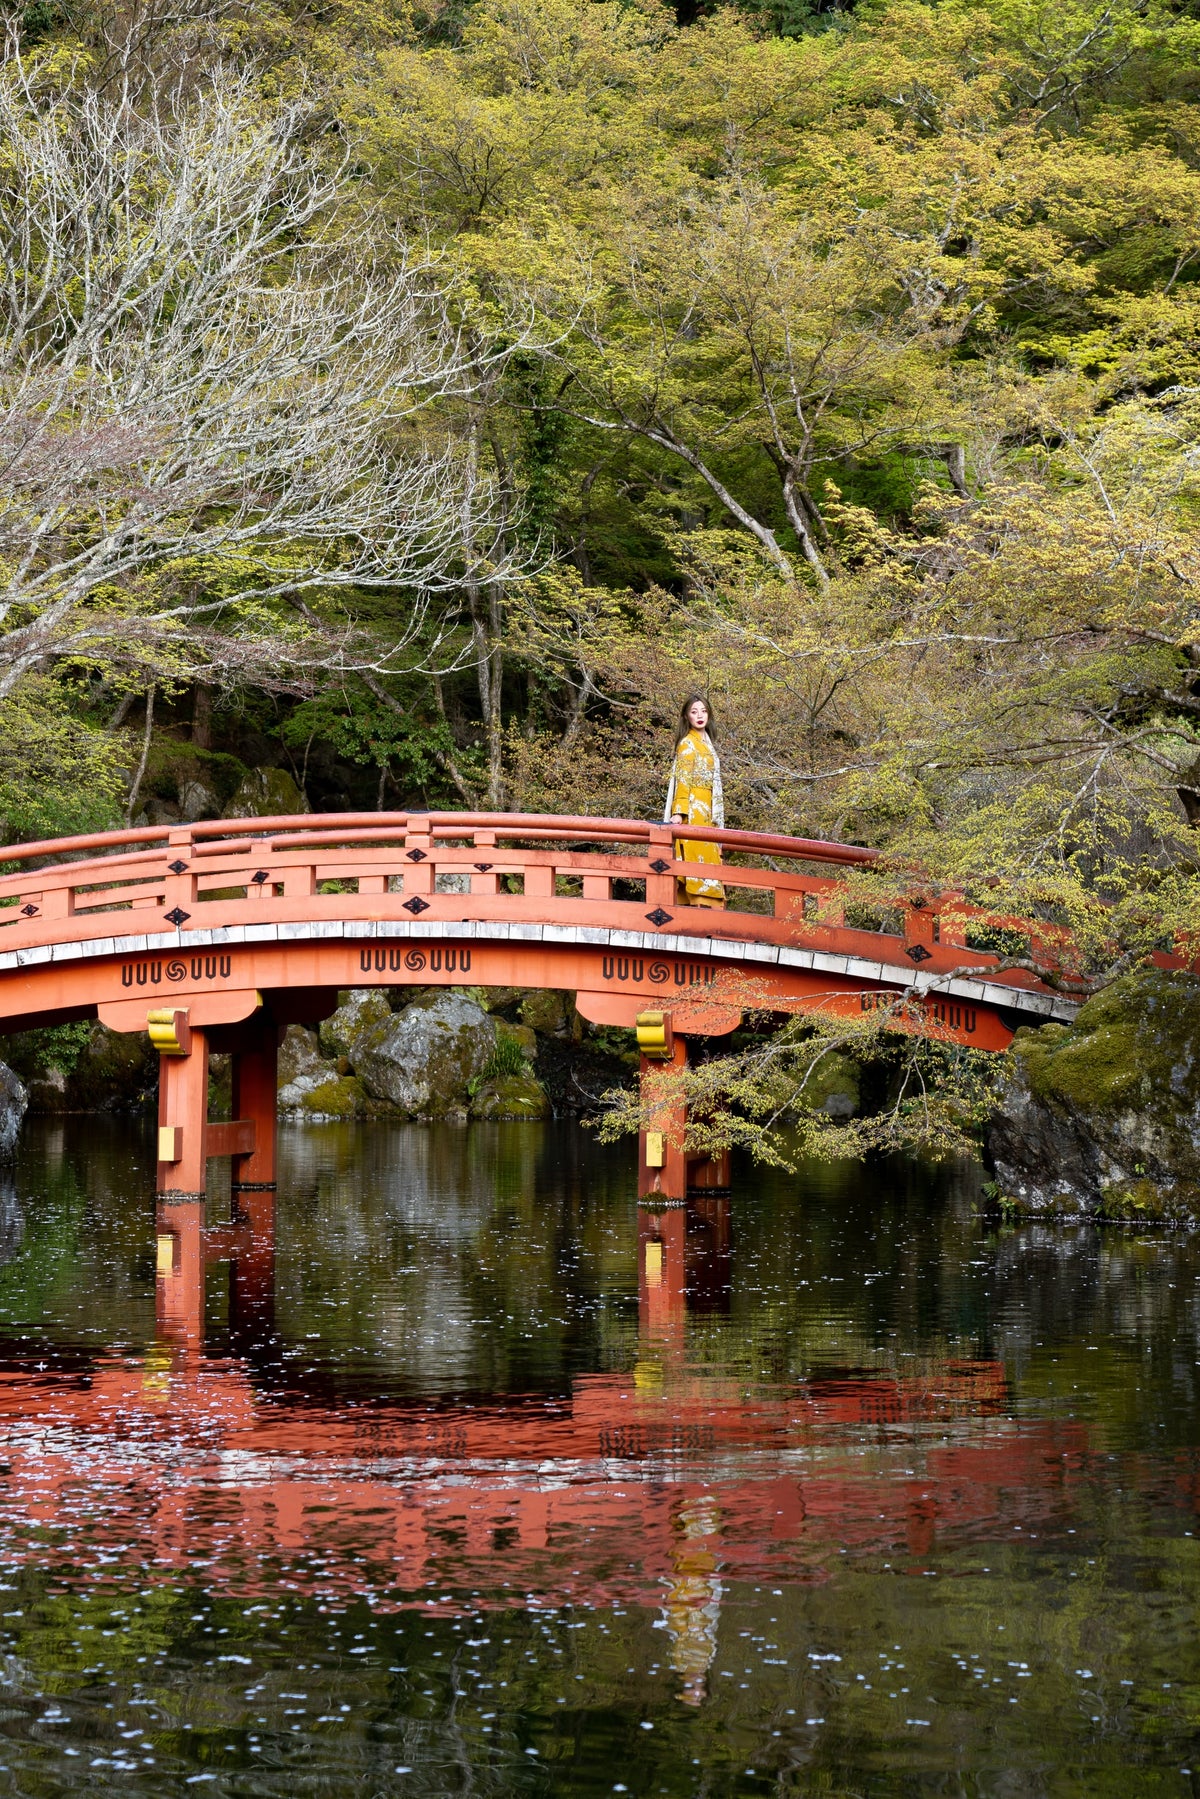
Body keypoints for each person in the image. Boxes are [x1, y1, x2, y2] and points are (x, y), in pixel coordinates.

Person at [664, 695, 726, 909]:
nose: (699, 716)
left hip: (708, 807)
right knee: (696, 858)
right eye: (694, 711)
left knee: (709, 857)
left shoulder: (707, 742)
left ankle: (707, 909)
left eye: (703, 711)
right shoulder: (687, 743)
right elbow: (683, 779)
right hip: (694, 807)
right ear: (686, 716)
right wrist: (679, 812)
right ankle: (696, 907)